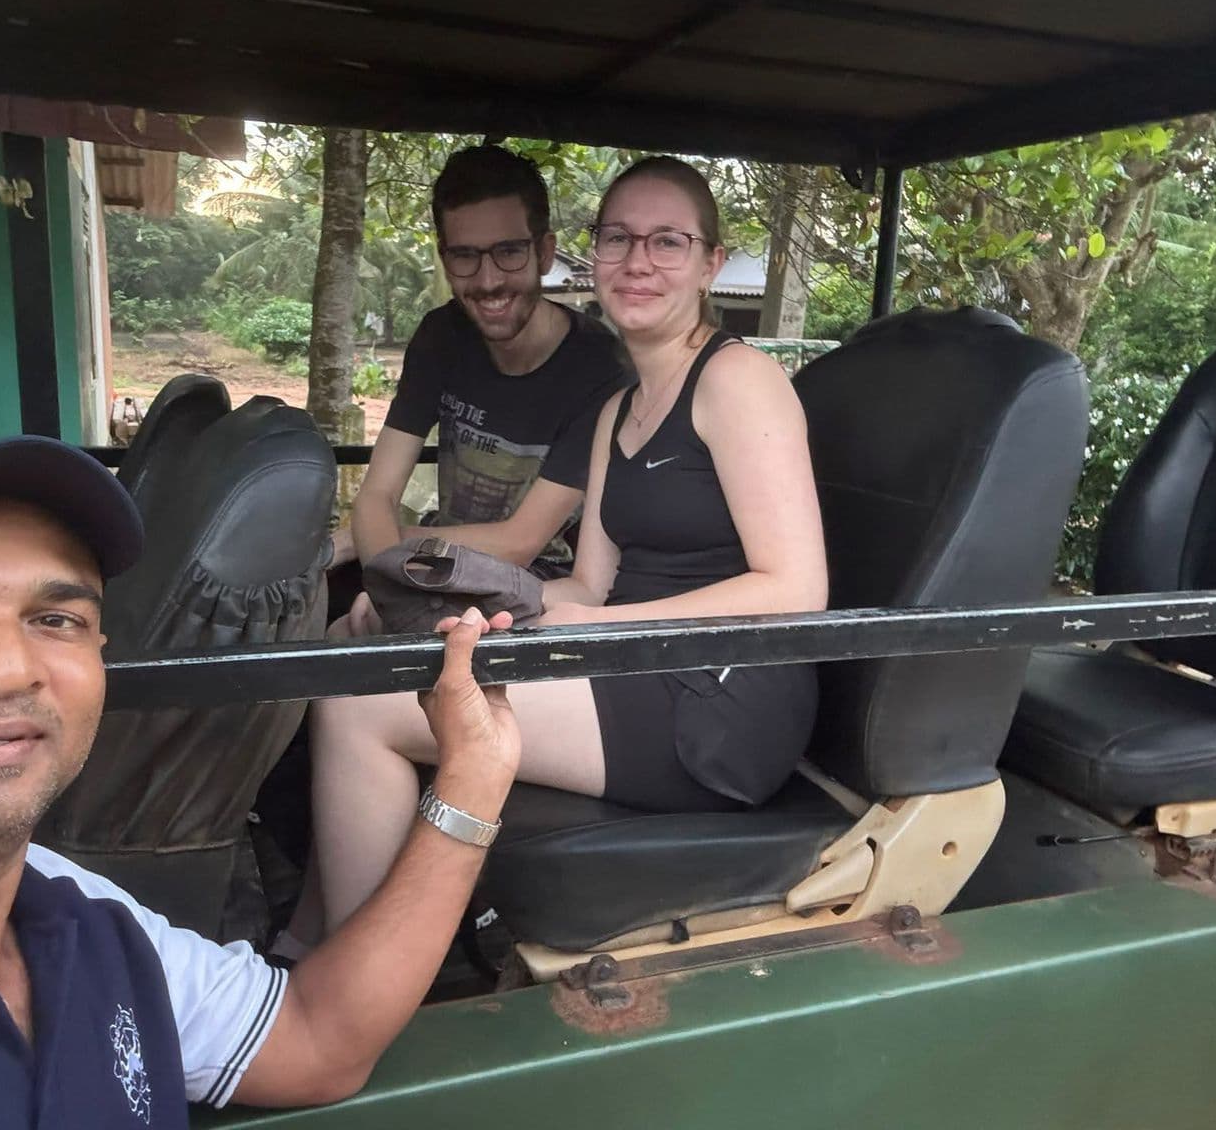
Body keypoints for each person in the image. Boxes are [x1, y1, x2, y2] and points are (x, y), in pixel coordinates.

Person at [0, 432, 520, 1127]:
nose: (10, 669)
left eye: (56, 619)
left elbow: (315, 1041)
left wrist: (473, 775)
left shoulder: (77, 913)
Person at [297, 156, 828, 939]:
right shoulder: (618, 410)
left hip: (720, 700)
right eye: (618, 239)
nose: (638, 261)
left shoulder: (739, 379)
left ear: (710, 263)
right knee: (380, 660)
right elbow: (585, 585)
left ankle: (352, 983)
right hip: (633, 664)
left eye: (667, 242)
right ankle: (320, 940)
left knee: (356, 711)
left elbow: (795, 588)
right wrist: (458, 605)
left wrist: (601, 628)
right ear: (591, 256)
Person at [329, 144, 630, 633]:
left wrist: (373, 546)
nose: (488, 281)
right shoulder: (442, 336)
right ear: (444, 257)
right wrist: (392, 590)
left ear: (544, 252)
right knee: (330, 631)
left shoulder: (599, 367)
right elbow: (377, 494)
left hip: (536, 590)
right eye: (465, 256)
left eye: (508, 252)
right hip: (438, 566)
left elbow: (520, 542)